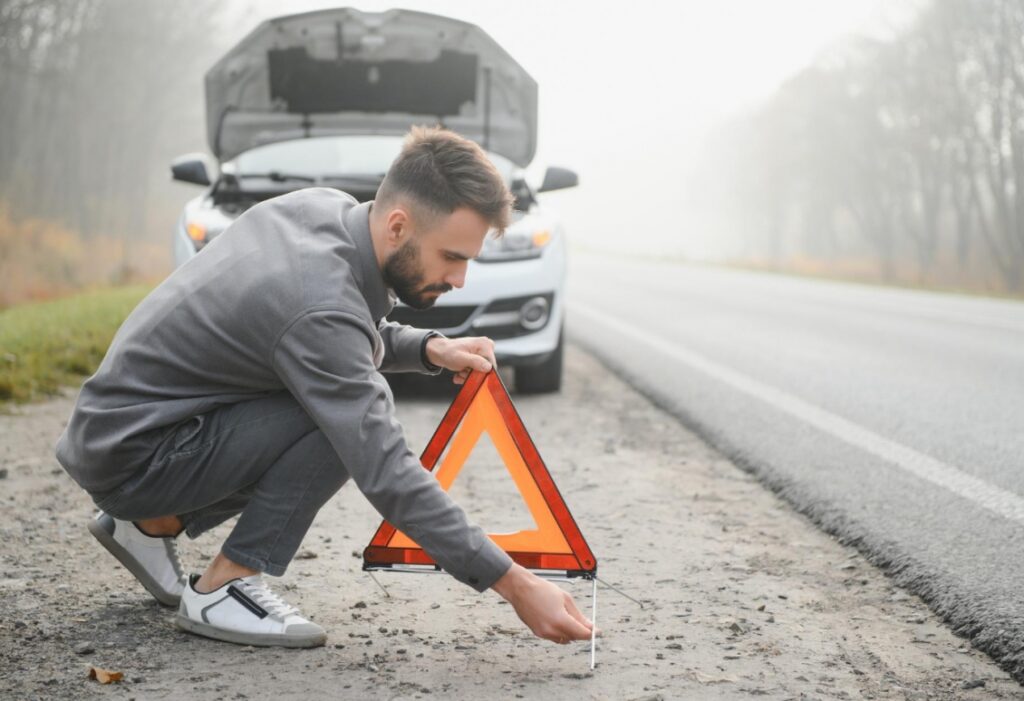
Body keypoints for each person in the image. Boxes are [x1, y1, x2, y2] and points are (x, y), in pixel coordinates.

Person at [55, 127, 594, 649]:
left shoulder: (323, 210)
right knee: (340, 427)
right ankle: (223, 586)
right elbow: (384, 465)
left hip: (124, 432)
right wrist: (516, 584)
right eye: (452, 257)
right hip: (137, 457)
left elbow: (325, 327)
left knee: (333, 402)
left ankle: (152, 525)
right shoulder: (320, 305)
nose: (459, 280)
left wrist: (429, 347)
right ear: (399, 225)